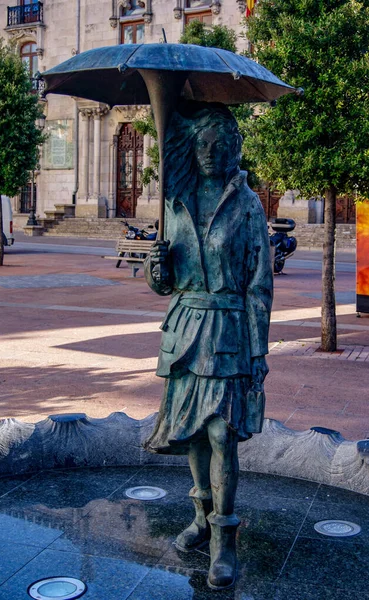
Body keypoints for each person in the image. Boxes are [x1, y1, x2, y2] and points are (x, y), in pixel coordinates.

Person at [143, 102, 273, 590]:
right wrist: (158, 273)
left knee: (221, 433)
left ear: (236, 148)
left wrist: (259, 350)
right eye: (204, 143)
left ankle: (224, 540)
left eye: (223, 144)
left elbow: (260, 283)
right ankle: (200, 516)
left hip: (228, 331)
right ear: (193, 149)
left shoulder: (248, 204)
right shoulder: (176, 200)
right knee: (192, 433)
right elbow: (168, 281)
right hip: (184, 331)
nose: (213, 152)